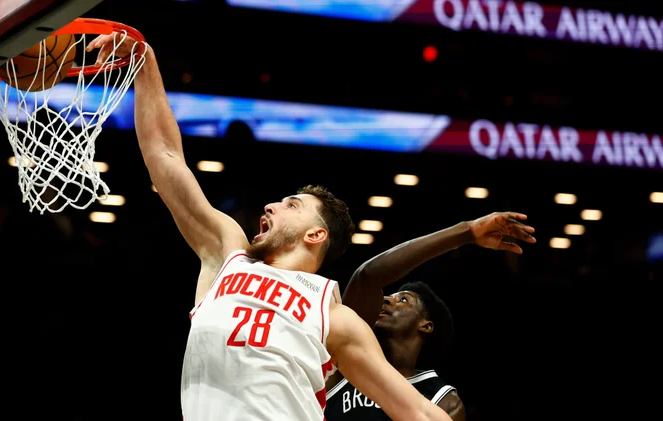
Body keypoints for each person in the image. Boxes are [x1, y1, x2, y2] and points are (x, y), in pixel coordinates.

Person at [88, 34, 453, 421]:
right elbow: (165, 158)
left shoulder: (334, 315)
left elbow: (421, 413)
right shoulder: (229, 255)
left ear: (316, 235)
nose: (271, 205)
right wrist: (145, 64)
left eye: (292, 205)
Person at [324, 214, 537, 421]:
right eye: (390, 296)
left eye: (404, 300)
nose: (387, 300)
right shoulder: (345, 365)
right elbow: (367, 277)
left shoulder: (443, 400)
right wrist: (467, 231)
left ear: (425, 326)